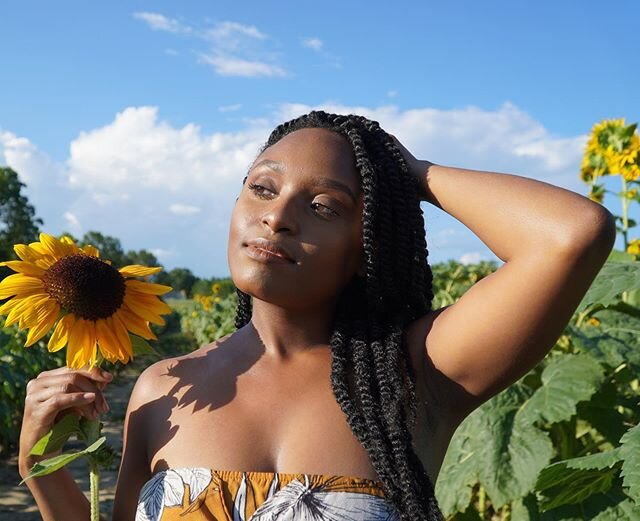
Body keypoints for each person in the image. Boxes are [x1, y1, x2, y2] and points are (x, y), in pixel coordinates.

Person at [18, 110, 616, 521]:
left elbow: (571, 235)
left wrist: (403, 171)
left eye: (325, 206)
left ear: (368, 245)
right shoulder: (164, 388)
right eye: (261, 188)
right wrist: (39, 465)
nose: (277, 217)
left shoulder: (416, 373)